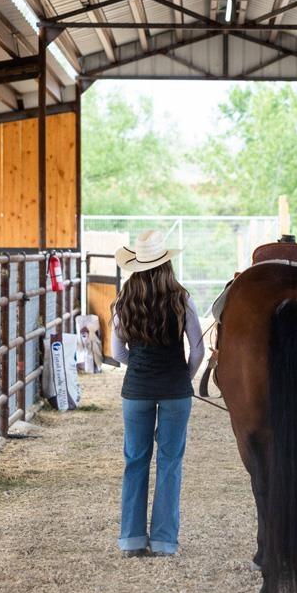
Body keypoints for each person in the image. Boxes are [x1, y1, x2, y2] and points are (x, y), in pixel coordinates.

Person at [110, 230, 204, 557]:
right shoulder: (182, 299)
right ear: (166, 264)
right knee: (169, 462)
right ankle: (164, 541)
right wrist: (183, 377)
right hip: (176, 391)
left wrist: (138, 365)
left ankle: (132, 539)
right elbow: (198, 350)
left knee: (135, 461)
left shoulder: (124, 301)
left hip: (136, 390)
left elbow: (117, 352)